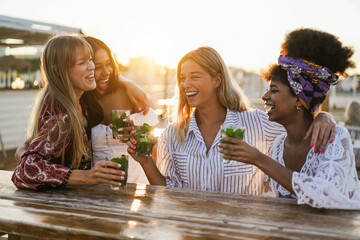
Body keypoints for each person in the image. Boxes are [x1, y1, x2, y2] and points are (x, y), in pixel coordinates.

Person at [128, 46, 336, 194]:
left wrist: (323, 116)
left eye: (194, 76)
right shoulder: (172, 135)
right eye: (182, 78)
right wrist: (146, 161)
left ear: (217, 80)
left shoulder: (257, 124)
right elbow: (168, 192)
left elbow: (299, 126)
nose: (185, 84)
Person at [219, 28, 360, 208]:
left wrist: (258, 159)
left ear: (299, 99)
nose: (264, 96)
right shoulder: (279, 145)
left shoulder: (334, 138)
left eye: (274, 90)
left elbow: (324, 196)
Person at [12, 34, 126, 190]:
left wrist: (130, 85)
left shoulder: (80, 100)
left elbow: (33, 145)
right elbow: (27, 168)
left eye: (90, 60)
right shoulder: (62, 117)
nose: (92, 66)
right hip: (57, 208)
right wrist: (86, 177)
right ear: (58, 71)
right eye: (82, 63)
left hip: (76, 202)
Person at [81, 36, 149, 184]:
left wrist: (139, 135)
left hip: (133, 184)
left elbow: (152, 146)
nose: (106, 72)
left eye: (108, 64)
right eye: (98, 66)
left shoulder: (128, 94)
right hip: (94, 190)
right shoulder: (80, 100)